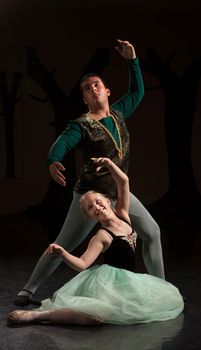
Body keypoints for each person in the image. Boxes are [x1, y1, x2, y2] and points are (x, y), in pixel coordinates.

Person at [15, 39, 165, 307]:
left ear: (107, 91)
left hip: (119, 193)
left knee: (152, 232)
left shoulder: (119, 112)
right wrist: (53, 160)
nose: (92, 88)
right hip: (91, 196)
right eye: (86, 88)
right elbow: (61, 143)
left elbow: (137, 91)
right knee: (65, 243)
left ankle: (161, 290)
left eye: (96, 84)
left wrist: (132, 61)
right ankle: (28, 289)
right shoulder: (81, 125)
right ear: (84, 99)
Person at [8, 158, 183, 326]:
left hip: (129, 282)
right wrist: (63, 253)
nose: (96, 207)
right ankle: (38, 316)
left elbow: (123, 182)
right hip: (107, 284)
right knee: (94, 318)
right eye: (90, 208)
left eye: (98, 202)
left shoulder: (123, 215)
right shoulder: (102, 236)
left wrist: (109, 164)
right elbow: (83, 264)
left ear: (108, 201)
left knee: (154, 303)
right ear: (91, 217)